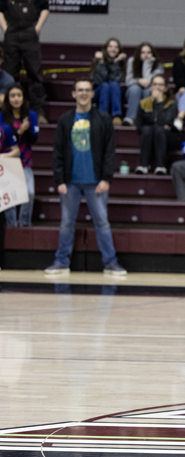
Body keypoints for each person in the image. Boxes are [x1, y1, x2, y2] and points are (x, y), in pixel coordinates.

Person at [44, 79, 124, 276]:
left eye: (87, 90)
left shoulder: (103, 119)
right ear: (73, 94)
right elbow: (58, 152)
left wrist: (106, 178)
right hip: (70, 182)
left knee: (102, 223)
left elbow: (109, 152)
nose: (83, 93)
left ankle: (111, 263)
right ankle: (62, 261)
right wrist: (59, 180)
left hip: (96, 181)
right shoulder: (65, 120)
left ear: (92, 94)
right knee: (66, 223)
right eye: (79, 90)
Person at [0, 0, 48, 124]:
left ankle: (38, 112)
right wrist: (5, 28)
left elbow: (45, 8)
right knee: (11, 75)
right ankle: (10, 113)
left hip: (30, 33)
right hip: (11, 33)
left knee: (34, 73)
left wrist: (37, 28)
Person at [0, 83, 36, 227]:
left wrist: (26, 131)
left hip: (25, 159)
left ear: (23, 98)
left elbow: (34, 139)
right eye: (12, 96)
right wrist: (19, 132)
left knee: (29, 192)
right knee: (10, 198)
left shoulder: (30, 115)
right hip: (7, 161)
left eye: (19, 95)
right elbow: (4, 136)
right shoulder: (2, 116)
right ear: (8, 98)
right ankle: (12, 226)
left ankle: (24, 224)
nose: (16, 99)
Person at [135, 75, 180, 175]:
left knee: (158, 130)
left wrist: (160, 102)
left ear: (166, 88)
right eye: (154, 84)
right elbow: (139, 125)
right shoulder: (143, 103)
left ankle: (161, 166)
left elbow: (166, 122)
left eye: (161, 85)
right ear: (151, 86)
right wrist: (154, 126)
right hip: (148, 136)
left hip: (168, 137)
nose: (157, 87)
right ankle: (143, 165)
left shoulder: (171, 103)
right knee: (147, 129)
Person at [124, 42, 164, 127]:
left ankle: (146, 119)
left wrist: (147, 64)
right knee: (135, 89)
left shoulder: (157, 65)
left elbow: (149, 82)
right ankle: (131, 118)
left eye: (149, 52)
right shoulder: (132, 61)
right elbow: (128, 81)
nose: (146, 55)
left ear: (152, 54)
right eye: (143, 52)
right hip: (133, 91)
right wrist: (139, 81)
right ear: (138, 53)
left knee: (147, 91)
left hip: (150, 90)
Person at [91, 38, 126, 127]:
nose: (113, 49)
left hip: (115, 92)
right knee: (105, 85)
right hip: (98, 92)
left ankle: (117, 116)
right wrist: (102, 63)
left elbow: (117, 80)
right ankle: (103, 116)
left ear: (119, 50)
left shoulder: (120, 63)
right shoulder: (97, 61)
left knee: (113, 84)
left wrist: (116, 62)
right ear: (106, 48)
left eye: (116, 47)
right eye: (110, 46)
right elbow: (99, 81)